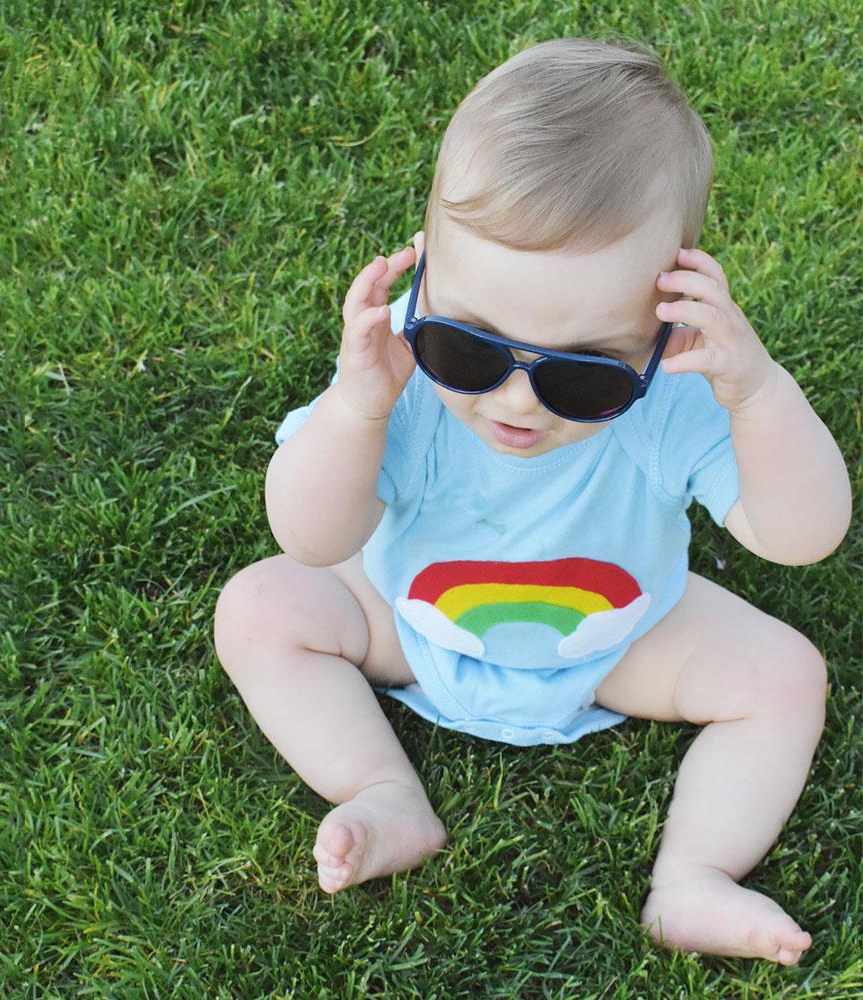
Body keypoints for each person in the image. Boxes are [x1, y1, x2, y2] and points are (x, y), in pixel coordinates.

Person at [213, 37, 851, 964]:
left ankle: (693, 877)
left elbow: (804, 537)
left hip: (621, 641)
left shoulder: (677, 390)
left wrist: (758, 396)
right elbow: (311, 535)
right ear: (426, 278)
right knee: (260, 607)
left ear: (666, 321)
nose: (513, 399)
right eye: (471, 348)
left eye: (584, 377)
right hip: (409, 620)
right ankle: (383, 789)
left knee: (784, 675)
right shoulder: (402, 366)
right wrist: (357, 408)